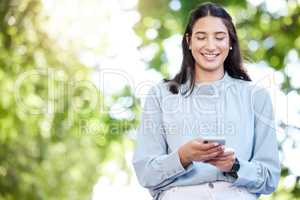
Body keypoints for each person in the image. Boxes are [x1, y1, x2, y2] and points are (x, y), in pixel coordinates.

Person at [132, 2, 280, 200]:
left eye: (219, 37)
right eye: (201, 37)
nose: (211, 46)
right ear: (189, 41)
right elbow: (146, 174)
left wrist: (234, 165)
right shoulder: (161, 95)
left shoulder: (256, 96)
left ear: (230, 42)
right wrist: (183, 157)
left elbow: (270, 178)